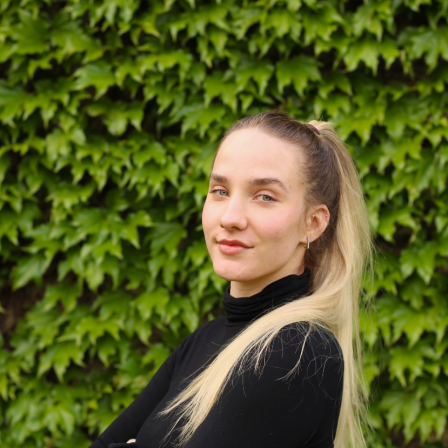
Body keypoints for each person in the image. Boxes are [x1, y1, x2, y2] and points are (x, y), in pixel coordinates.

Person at [89, 110, 373, 448]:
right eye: (220, 191)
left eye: (264, 196)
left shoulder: (298, 353)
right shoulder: (203, 341)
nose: (230, 217)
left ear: (313, 223)